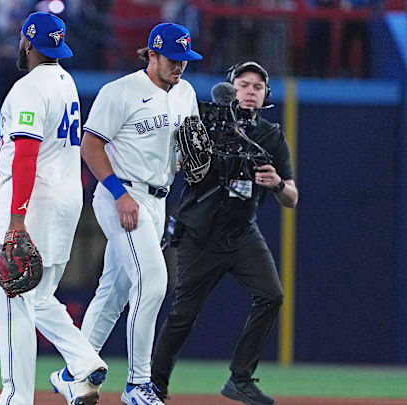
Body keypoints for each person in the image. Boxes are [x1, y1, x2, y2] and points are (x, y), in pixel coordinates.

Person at [0, 12, 108, 405]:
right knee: (39, 297)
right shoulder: (66, 82)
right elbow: (38, 151)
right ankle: (83, 361)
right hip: (65, 199)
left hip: (34, 203)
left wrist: (15, 219)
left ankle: (15, 396)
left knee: (12, 296)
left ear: (27, 43)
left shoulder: (28, 88)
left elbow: (27, 156)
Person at [150, 61, 299, 405]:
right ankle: (154, 386)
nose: (250, 92)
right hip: (199, 235)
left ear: (265, 95)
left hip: (242, 233)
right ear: (230, 89)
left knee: (272, 296)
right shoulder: (204, 122)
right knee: (183, 316)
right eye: (243, 85)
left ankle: (240, 379)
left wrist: (277, 184)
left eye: (257, 87)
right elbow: (170, 160)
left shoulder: (270, 136)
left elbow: (292, 197)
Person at [78, 23, 201, 405]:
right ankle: (138, 384)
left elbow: (186, 152)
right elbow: (91, 145)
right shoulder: (120, 91)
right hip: (123, 195)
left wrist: (190, 162)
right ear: (152, 54)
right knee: (152, 282)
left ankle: (76, 373)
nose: (180, 66)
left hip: (157, 199)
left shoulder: (186, 93)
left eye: (185, 59)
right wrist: (119, 194)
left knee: (113, 292)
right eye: (173, 58)